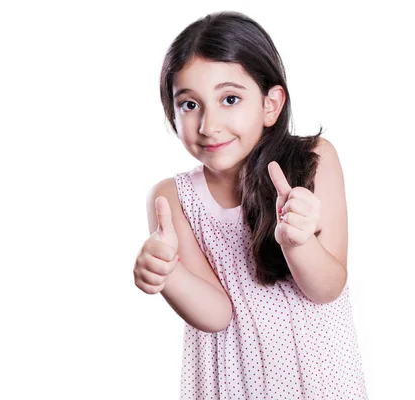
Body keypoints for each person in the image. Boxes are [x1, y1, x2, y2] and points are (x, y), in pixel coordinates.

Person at [133, 10, 368, 399]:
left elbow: (327, 288)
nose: (209, 124)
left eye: (229, 99)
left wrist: (299, 243)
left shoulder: (314, 160)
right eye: (190, 105)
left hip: (320, 381)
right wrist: (168, 276)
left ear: (270, 104)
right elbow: (216, 314)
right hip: (230, 381)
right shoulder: (172, 198)